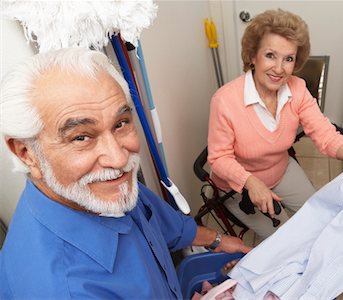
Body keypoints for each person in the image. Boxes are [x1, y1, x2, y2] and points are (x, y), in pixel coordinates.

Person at [0, 48, 251, 299]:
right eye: (81, 137)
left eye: (120, 124)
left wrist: (217, 239)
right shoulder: (64, 290)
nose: (119, 159)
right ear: (26, 153)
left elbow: (163, 224)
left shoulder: (101, 187)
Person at [207, 9, 343, 239]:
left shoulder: (297, 89)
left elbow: (323, 132)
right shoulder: (224, 101)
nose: (279, 69)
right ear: (253, 56)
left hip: (280, 170)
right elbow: (219, 158)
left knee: (319, 217)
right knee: (287, 237)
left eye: (288, 59)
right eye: (270, 55)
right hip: (239, 185)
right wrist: (250, 182)